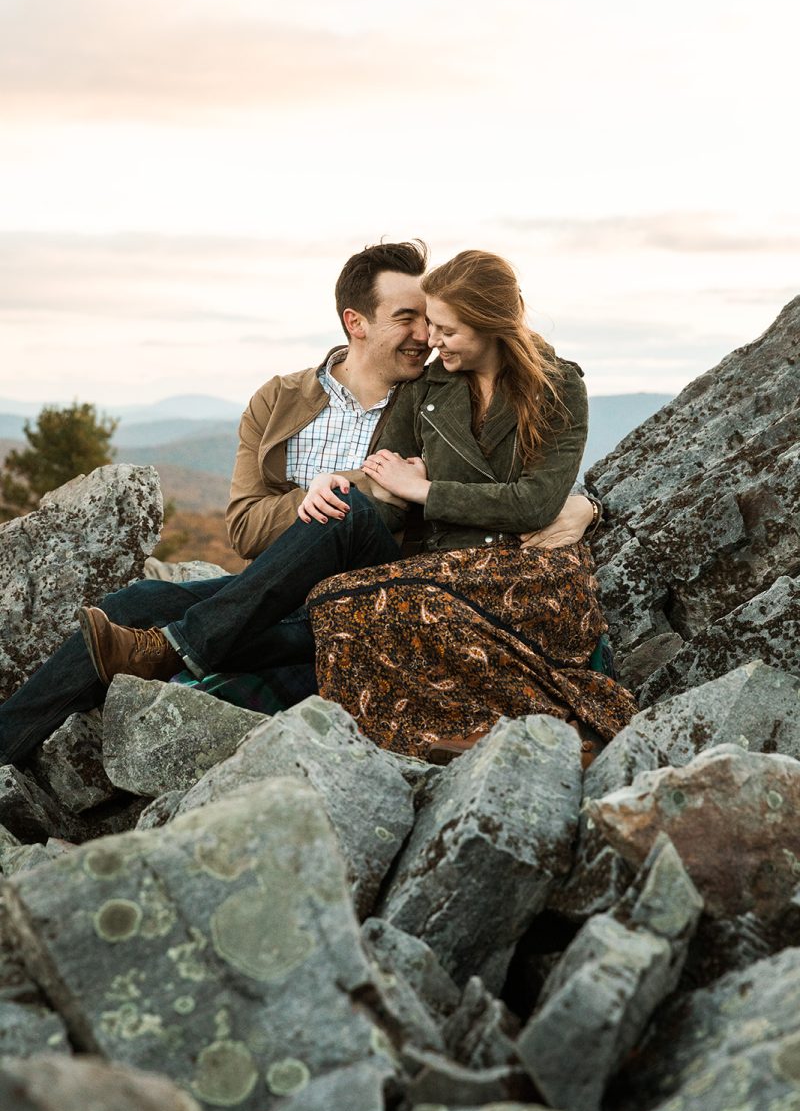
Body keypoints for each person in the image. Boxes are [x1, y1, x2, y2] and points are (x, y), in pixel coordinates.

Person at [0, 241, 595, 765]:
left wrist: (584, 503)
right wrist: (334, 490)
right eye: (408, 318)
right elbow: (246, 528)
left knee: (335, 529)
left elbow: (528, 481)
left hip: (392, 575)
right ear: (356, 322)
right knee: (133, 602)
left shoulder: (431, 385)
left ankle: (177, 649)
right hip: (284, 577)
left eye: (434, 323)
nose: (425, 337)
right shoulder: (283, 400)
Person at [307, 250, 638, 762]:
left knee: (350, 606)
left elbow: (535, 504)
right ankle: (445, 736)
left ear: (492, 327)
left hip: (532, 568)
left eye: (447, 330)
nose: (431, 340)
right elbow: (387, 488)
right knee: (329, 600)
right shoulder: (427, 387)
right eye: (430, 325)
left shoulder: (557, 385)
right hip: (449, 563)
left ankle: (558, 728)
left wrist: (424, 491)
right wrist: (346, 490)